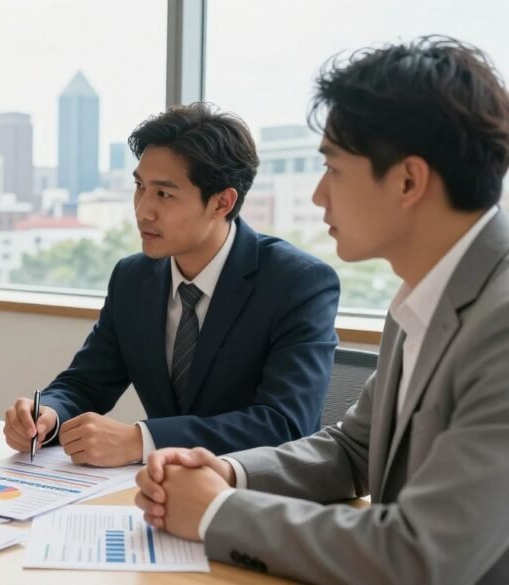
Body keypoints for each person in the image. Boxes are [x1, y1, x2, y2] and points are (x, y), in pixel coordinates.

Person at [135, 36, 509, 585]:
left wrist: (216, 512)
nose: (317, 195)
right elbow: (354, 449)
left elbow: (424, 553)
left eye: (333, 169)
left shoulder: (500, 325)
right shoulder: (425, 294)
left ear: (408, 180)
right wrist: (230, 471)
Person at [4, 103, 340, 466]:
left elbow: (285, 425)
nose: (142, 210)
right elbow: (86, 383)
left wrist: (142, 440)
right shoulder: (133, 279)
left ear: (222, 202)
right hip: (160, 493)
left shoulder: (297, 283)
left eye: (164, 194)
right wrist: (49, 415)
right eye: (139, 187)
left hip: (256, 497)